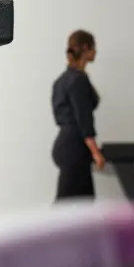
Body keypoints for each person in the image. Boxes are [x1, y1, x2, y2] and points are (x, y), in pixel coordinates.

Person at [51, 29, 104, 200]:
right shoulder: (79, 80)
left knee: (82, 204)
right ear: (86, 48)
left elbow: (62, 117)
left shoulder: (60, 81)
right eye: (94, 47)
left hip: (64, 144)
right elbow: (83, 119)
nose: (96, 52)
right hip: (74, 148)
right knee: (67, 206)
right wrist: (95, 152)